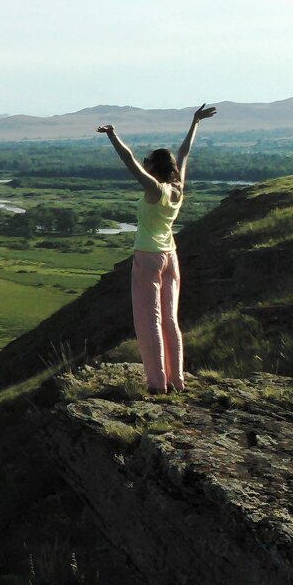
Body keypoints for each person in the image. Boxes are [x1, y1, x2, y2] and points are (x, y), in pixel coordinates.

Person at [96, 103, 217, 394]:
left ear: (154, 167)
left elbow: (129, 161)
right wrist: (195, 122)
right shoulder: (178, 188)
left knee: (148, 321)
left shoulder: (155, 190)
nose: (145, 163)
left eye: (148, 160)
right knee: (170, 320)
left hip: (148, 257)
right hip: (170, 257)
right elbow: (184, 153)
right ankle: (177, 379)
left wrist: (112, 135)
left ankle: (157, 383)